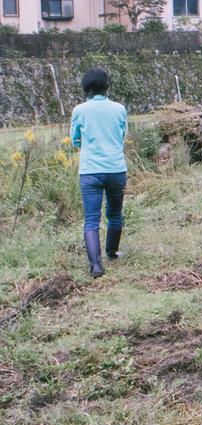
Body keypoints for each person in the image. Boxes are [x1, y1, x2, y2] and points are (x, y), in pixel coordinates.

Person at [70, 67, 128, 278]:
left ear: (86, 87)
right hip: (116, 168)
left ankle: (96, 267)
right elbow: (122, 135)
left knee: (91, 220)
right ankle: (112, 252)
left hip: (90, 171)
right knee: (114, 214)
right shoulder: (119, 109)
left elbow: (75, 139)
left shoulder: (80, 110)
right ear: (107, 86)